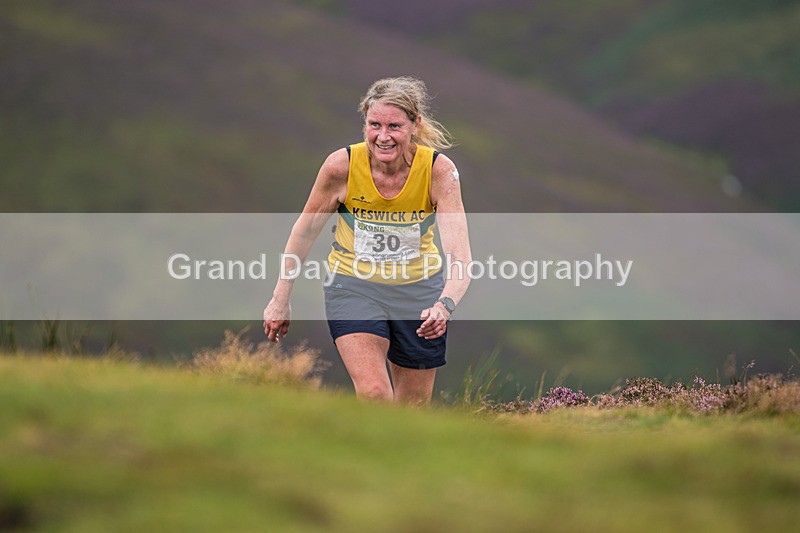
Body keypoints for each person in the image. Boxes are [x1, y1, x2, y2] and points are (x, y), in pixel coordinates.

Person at [263, 76, 471, 405]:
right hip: (353, 285)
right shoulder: (341, 166)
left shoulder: (438, 171)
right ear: (365, 124)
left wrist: (444, 306)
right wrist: (280, 298)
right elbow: (304, 233)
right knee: (375, 394)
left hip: (418, 294)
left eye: (394, 126)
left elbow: (460, 255)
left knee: (411, 412)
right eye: (374, 124)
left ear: (415, 125)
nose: (383, 136)